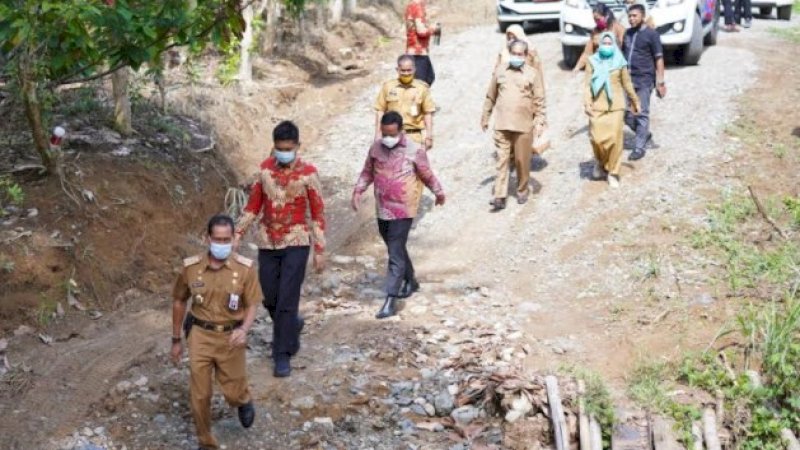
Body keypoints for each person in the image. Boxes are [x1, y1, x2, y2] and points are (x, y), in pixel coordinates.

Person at [235, 120, 326, 378]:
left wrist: (319, 248)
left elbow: (318, 212)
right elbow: (253, 206)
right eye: (279, 148)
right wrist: (238, 233)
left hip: (297, 241)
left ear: (297, 146)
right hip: (268, 241)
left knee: (287, 298)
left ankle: (282, 353)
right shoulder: (264, 171)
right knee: (270, 296)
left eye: (288, 148)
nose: (284, 152)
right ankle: (291, 326)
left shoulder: (308, 173)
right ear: (273, 147)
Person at [171, 214, 261, 450]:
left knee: (233, 390)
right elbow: (179, 301)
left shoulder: (245, 269)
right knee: (200, 394)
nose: (222, 244)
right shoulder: (191, 268)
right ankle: (205, 441)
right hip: (200, 334)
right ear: (207, 238)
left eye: (226, 239)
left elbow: (252, 304)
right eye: (217, 239)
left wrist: (244, 329)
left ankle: (243, 400)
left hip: (231, 336)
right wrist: (176, 340)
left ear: (233, 239)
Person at [351, 111, 446, 319]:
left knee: (394, 251)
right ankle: (410, 280)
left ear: (401, 131)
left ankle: (390, 300)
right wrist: (358, 190)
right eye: (384, 133)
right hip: (382, 207)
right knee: (395, 246)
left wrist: (438, 192)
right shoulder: (376, 148)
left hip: (404, 208)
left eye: (391, 134)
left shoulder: (414, 150)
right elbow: (367, 171)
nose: (387, 138)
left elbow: (426, 174)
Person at [481, 39, 546, 211]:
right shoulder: (500, 71)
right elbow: (491, 95)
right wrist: (485, 116)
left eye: (520, 54)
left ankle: (522, 188)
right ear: (509, 53)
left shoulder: (533, 73)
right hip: (502, 124)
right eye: (514, 53)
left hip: (523, 125)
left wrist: (539, 121)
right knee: (502, 160)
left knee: (521, 160)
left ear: (525, 56)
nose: (517, 57)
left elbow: (540, 100)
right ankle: (500, 196)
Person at [584, 33, 641, 188]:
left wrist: (635, 100)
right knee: (596, 139)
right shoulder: (592, 61)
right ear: (599, 44)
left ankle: (613, 172)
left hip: (616, 105)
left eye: (610, 43)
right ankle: (600, 163)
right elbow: (587, 84)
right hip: (597, 105)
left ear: (614, 45)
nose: (607, 46)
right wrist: (587, 103)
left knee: (615, 140)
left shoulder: (620, 62)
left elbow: (627, 83)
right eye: (605, 43)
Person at [495, 24, 550, 154]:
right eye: (508, 37)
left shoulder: (530, 52)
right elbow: (496, 72)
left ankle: (523, 151)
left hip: (526, 94)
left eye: (514, 37)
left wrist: (540, 93)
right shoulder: (504, 52)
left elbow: (538, 73)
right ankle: (512, 154)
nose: (511, 40)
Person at [622, 4, 666, 161]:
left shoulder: (652, 34)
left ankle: (639, 147)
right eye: (630, 16)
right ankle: (644, 134)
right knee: (624, 113)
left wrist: (660, 82)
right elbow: (622, 56)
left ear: (642, 16)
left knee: (641, 113)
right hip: (627, 80)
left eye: (635, 16)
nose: (631, 19)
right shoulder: (627, 34)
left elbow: (659, 58)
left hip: (644, 80)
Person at [374, 55, 437, 151]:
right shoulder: (388, 87)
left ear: (414, 69)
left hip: (414, 138)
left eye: (409, 70)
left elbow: (428, 113)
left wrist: (429, 136)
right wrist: (378, 135)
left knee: (414, 165)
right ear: (397, 70)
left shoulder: (422, 88)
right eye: (403, 70)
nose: (406, 73)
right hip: (391, 138)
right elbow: (380, 111)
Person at [574, 3, 626, 72]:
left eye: (598, 19)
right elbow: (587, 52)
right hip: (600, 68)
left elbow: (625, 49)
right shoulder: (595, 31)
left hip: (615, 68)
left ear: (607, 16)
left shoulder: (618, 28)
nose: (596, 22)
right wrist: (578, 67)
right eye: (594, 20)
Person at [405, 0, 439, 86]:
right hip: (418, 53)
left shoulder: (412, 5)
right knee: (421, 86)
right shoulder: (417, 6)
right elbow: (421, 31)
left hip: (414, 52)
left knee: (429, 77)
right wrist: (434, 29)